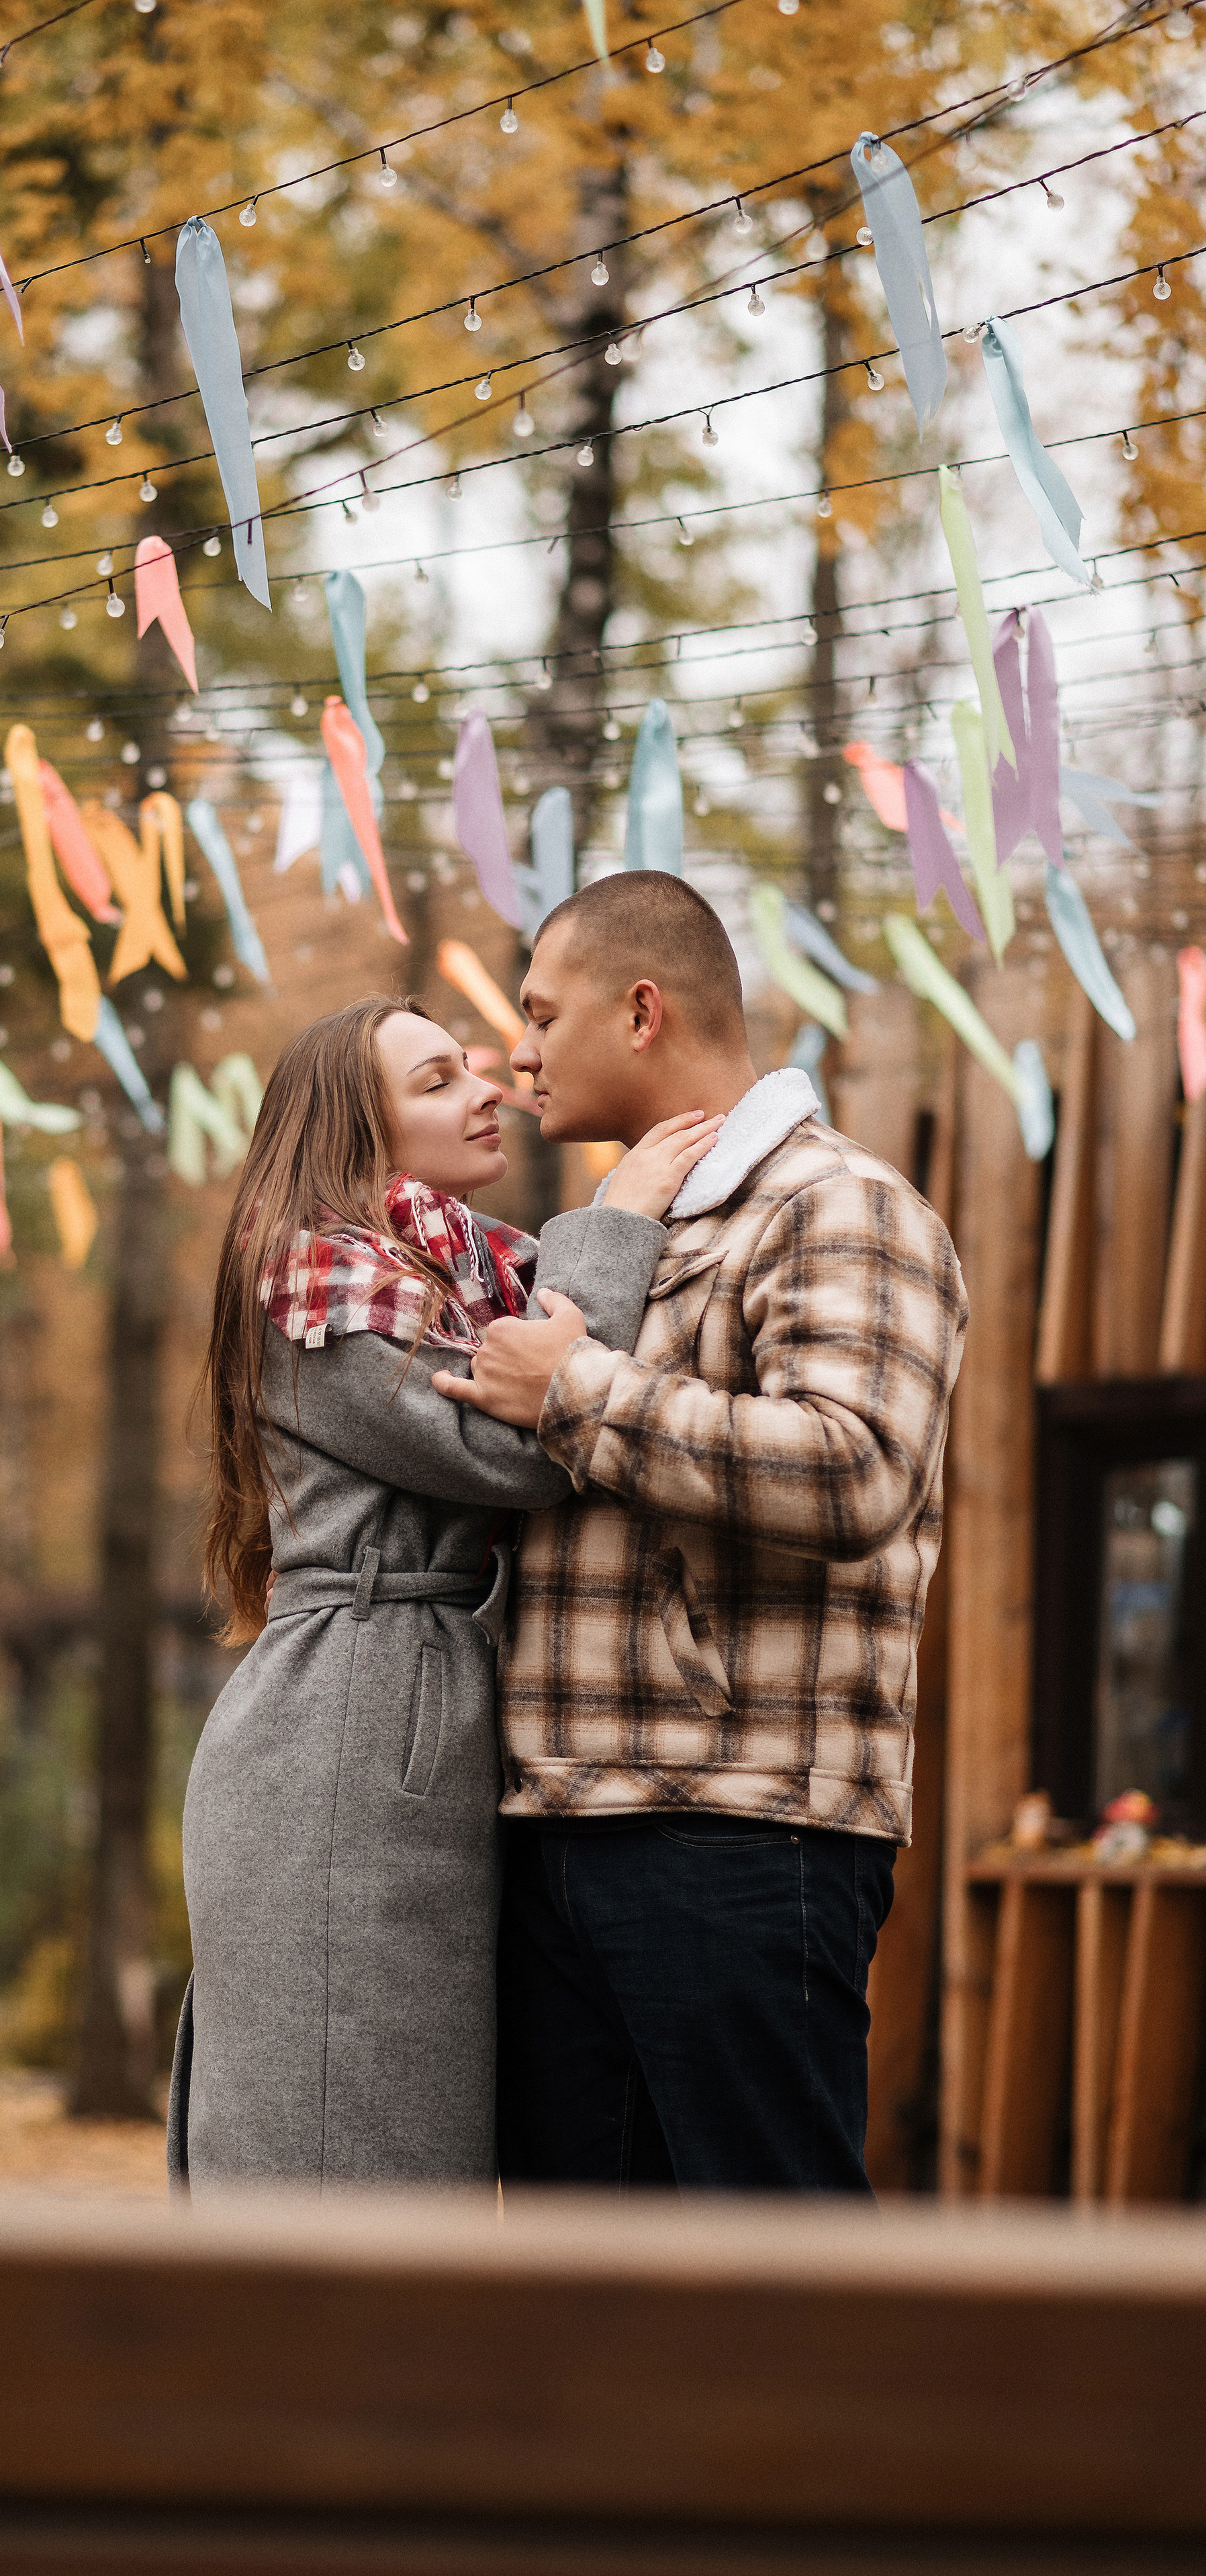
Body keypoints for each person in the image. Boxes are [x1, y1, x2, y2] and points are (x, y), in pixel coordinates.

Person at [436, 871, 968, 2194]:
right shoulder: (615, 1234)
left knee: (768, 2305)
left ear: (640, 1009)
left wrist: (572, 1392)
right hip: (553, 1832)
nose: (515, 1052)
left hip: (741, 1837)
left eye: (538, 1014)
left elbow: (856, 1470)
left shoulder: (840, 1207)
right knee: (577, 2320)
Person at [170, 993, 721, 2192]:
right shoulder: (322, 1287)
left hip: (401, 1705)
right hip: (343, 1731)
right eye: (436, 1082)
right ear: (353, 1136)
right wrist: (615, 1221)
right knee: (338, 2144)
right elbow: (518, 1449)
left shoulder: (450, 1272)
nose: (487, 1091)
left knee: (403, 2144)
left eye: (472, 1068)